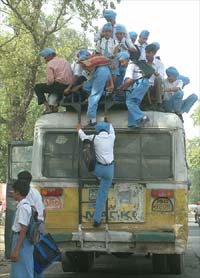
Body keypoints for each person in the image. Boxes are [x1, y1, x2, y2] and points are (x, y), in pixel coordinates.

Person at [77, 120, 115, 227]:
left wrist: (79, 129)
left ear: (98, 130)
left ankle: (98, 176)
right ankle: (96, 220)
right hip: (109, 171)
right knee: (102, 196)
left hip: (97, 169)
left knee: (92, 167)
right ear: (107, 130)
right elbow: (111, 127)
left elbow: (83, 137)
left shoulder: (94, 138)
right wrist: (109, 122)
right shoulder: (112, 137)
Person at [17, 171, 45, 278]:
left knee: (28, 257)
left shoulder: (26, 194)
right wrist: (41, 226)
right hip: (39, 224)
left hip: (31, 227)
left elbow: (31, 212)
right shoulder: (35, 192)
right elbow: (44, 211)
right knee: (37, 257)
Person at [34, 48, 73, 114]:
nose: (45, 59)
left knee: (37, 87)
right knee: (55, 87)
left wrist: (48, 84)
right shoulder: (65, 61)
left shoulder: (50, 63)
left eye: (45, 57)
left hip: (59, 86)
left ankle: (47, 108)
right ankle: (55, 105)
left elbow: (50, 81)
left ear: (50, 55)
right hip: (68, 86)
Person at [117, 51, 150, 128]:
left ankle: (143, 117)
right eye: (120, 62)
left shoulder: (130, 65)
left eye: (122, 61)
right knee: (134, 103)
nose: (122, 64)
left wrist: (121, 87)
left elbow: (130, 81)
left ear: (127, 59)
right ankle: (133, 124)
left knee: (130, 101)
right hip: (143, 83)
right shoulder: (135, 63)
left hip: (141, 83)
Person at [78, 55, 112, 127]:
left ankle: (92, 120)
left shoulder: (88, 63)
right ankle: (104, 93)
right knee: (86, 86)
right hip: (103, 72)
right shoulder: (96, 62)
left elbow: (90, 70)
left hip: (101, 73)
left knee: (94, 96)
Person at [10, 179, 33, 278]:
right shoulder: (26, 205)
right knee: (23, 268)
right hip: (23, 241)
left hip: (21, 242)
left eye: (13, 191)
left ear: (17, 192)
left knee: (21, 270)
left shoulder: (23, 208)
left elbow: (23, 229)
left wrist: (16, 250)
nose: (12, 193)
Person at [144, 43, 165, 111]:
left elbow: (161, 77)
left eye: (148, 53)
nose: (146, 55)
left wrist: (152, 70)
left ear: (153, 53)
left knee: (158, 79)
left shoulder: (159, 63)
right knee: (144, 81)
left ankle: (158, 104)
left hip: (155, 86)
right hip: (145, 84)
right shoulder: (143, 62)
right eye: (146, 52)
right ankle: (148, 104)